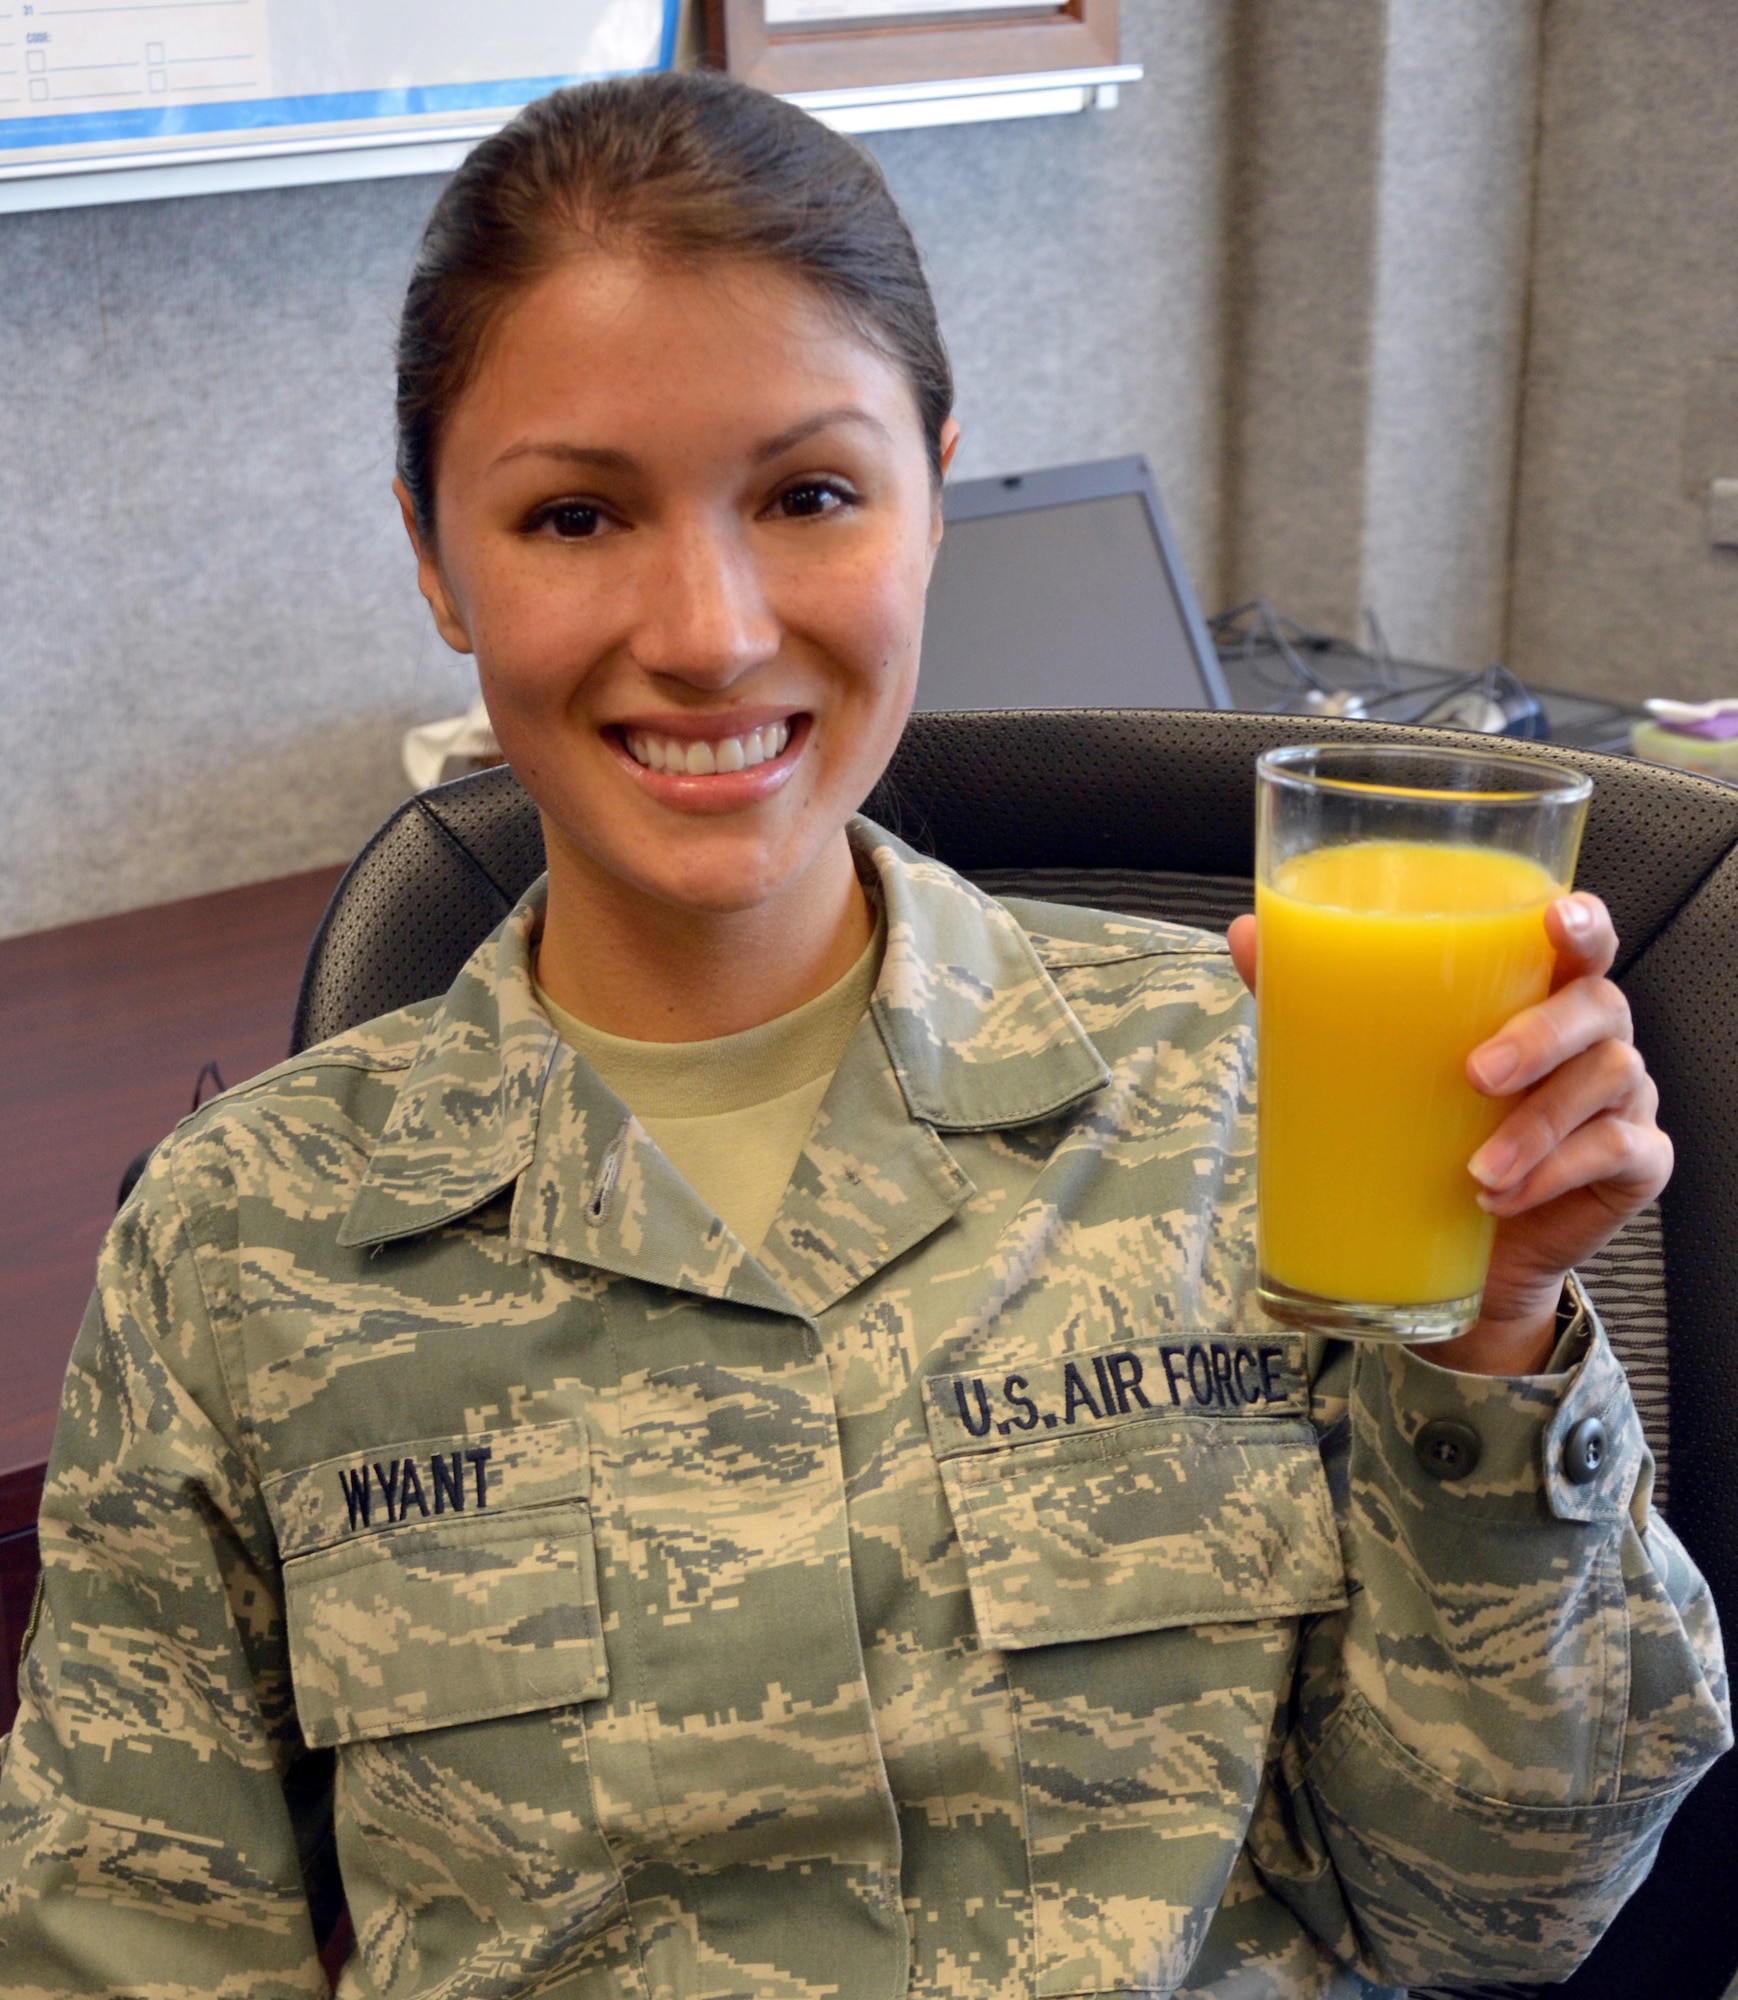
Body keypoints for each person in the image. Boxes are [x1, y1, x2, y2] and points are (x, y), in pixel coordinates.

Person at [0, 70, 1727, 2000]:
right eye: (574, 513)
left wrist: (1489, 1345)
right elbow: (124, 1961)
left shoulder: (1259, 1107)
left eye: (809, 493)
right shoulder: (242, 1249)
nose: (713, 629)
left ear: (931, 496)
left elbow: (1496, 1918)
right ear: (433, 555)